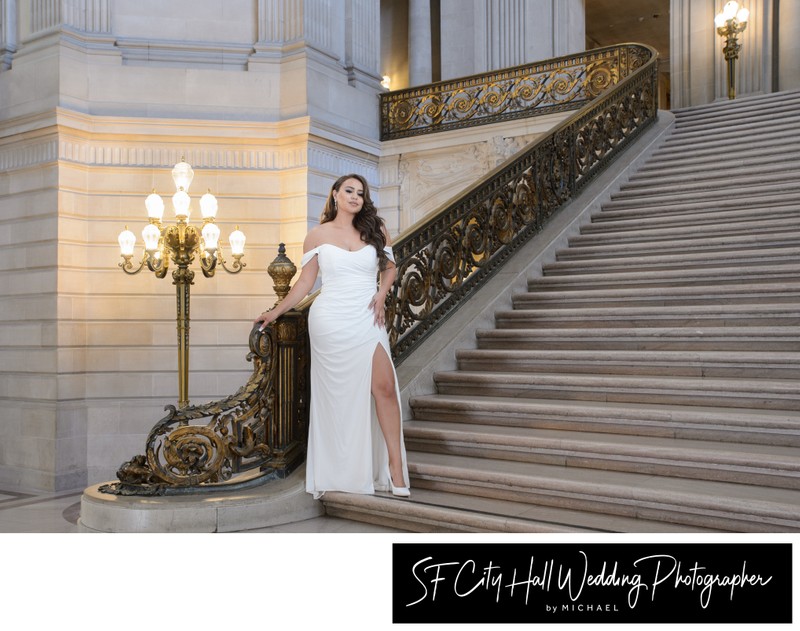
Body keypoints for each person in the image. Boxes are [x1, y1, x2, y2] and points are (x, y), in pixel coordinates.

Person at [254, 174, 410, 499]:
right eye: (349, 191)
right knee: (338, 398)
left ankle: (395, 468)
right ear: (336, 194)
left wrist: (382, 294)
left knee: (384, 387)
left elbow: (391, 267)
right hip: (330, 319)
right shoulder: (317, 235)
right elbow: (304, 283)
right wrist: (275, 312)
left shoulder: (376, 228)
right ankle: (343, 471)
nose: (355, 196)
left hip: (368, 314)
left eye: (360, 193)